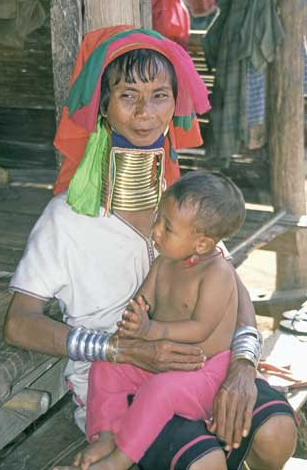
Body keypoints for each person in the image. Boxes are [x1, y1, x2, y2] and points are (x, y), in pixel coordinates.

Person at [4, 26, 297, 470]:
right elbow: (18, 325)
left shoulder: (185, 204)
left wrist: (242, 364)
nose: (145, 112)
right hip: (120, 383)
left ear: (175, 106)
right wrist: (117, 350)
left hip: (203, 367)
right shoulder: (67, 218)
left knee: (278, 434)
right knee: (206, 464)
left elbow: (232, 292)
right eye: (127, 95)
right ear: (103, 107)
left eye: (160, 95)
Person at [78, 170, 244, 470]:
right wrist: (133, 320)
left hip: (204, 373)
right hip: (163, 360)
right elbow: (142, 302)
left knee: (160, 391)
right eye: (158, 219)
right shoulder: (163, 263)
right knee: (105, 365)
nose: (155, 231)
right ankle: (105, 435)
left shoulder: (217, 273)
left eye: (167, 228)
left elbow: (201, 328)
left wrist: (151, 329)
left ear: (203, 243)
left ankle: (120, 460)